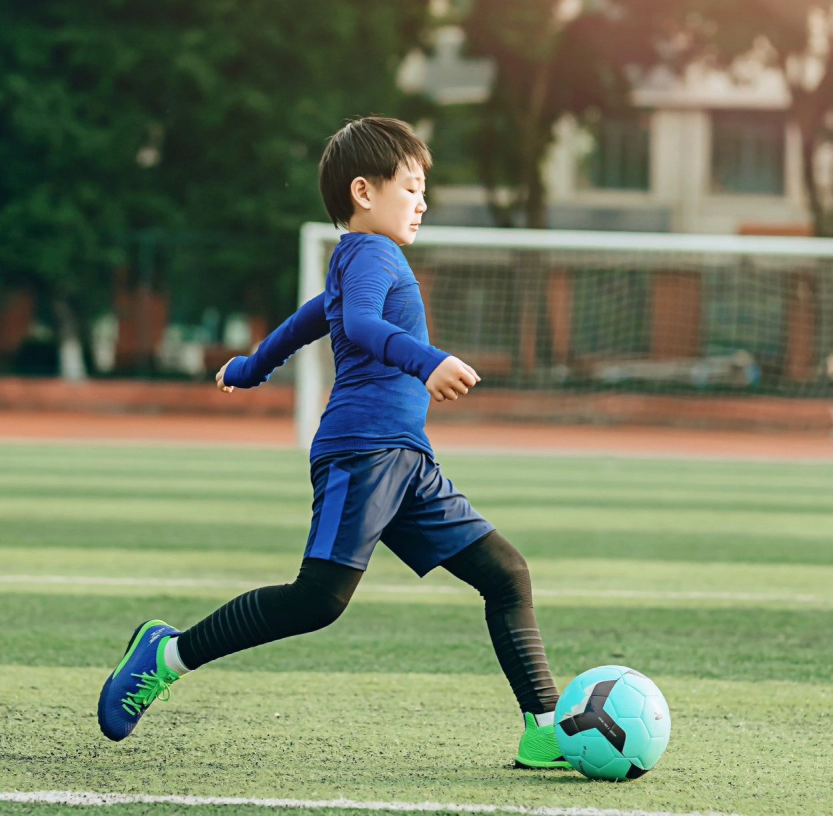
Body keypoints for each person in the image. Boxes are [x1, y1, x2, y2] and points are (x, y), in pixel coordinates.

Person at [97, 116, 568, 769]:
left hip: (404, 459)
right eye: (411, 186)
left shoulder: (359, 259)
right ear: (363, 191)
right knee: (317, 600)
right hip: (363, 451)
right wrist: (426, 360)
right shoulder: (373, 253)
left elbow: (306, 320)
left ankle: (543, 729)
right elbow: (358, 323)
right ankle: (165, 655)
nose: (422, 201)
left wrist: (249, 367)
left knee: (505, 575)